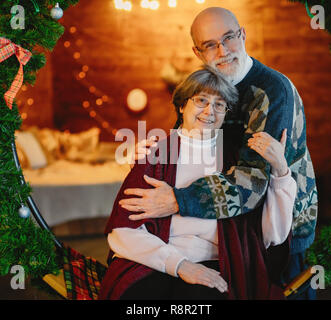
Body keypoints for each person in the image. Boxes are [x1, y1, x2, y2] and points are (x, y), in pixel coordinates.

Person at [120, 7, 318, 299]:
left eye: (229, 38)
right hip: (227, 231)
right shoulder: (206, 85)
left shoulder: (272, 92)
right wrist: (154, 154)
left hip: (277, 229)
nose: (223, 50)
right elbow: (185, 137)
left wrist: (178, 199)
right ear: (198, 52)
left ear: (243, 35)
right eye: (210, 44)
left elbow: (252, 185)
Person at [99, 67, 296, 300]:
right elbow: (122, 232)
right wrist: (181, 265)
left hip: (216, 264)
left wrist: (281, 172)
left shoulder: (238, 163)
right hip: (153, 260)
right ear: (182, 106)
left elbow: (272, 235)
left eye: (220, 104)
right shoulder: (155, 154)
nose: (209, 111)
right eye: (201, 100)